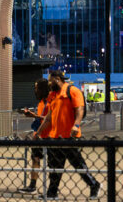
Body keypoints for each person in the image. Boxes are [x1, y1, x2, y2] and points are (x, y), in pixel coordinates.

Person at [35, 70, 101, 199]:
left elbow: (79, 109)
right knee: (54, 167)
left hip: (69, 137)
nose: (49, 83)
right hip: (55, 137)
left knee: (78, 165)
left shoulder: (72, 91)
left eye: (50, 80)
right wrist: (39, 132)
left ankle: (94, 185)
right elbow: (49, 117)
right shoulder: (53, 95)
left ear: (58, 79)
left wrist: (76, 125)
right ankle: (52, 193)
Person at [17, 79, 53, 193]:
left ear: (43, 89)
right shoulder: (41, 102)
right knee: (35, 159)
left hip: (50, 136)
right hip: (38, 135)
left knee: (53, 163)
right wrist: (32, 115)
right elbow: (41, 118)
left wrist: (35, 116)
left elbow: (51, 120)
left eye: (37, 88)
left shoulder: (51, 101)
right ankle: (32, 186)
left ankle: (52, 189)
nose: (35, 90)